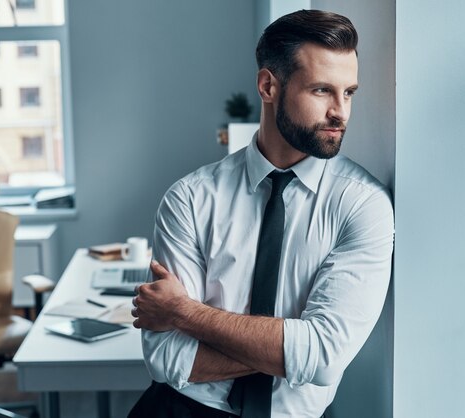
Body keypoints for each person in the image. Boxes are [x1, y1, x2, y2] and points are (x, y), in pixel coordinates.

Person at [129, 9, 394, 418]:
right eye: (322, 90)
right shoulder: (190, 199)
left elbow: (325, 355)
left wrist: (185, 312)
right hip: (180, 410)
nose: (340, 112)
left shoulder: (363, 204)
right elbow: (167, 358)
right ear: (269, 85)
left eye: (349, 92)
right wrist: (292, 348)